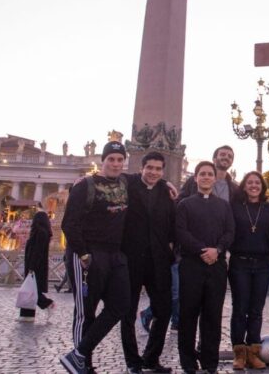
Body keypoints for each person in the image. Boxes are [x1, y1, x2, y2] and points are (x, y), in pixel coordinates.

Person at [60, 140, 131, 374]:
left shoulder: (126, 183)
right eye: (111, 159)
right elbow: (69, 223)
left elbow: (149, 179)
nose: (116, 163)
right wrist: (83, 253)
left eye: (120, 160)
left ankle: (78, 354)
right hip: (88, 254)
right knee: (85, 310)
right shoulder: (84, 186)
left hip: (115, 253)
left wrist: (170, 185)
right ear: (103, 160)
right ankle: (84, 364)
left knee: (120, 305)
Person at [176, 160, 235, 373]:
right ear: (196, 178)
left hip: (216, 266)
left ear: (214, 177)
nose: (206, 177)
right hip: (192, 265)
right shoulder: (185, 205)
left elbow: (230, 232)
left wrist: (217, 250)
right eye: (202, 174)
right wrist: (203, 250)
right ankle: (188, 362)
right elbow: (181, 232)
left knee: (212, 315)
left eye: (210, 174)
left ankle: (210, 362)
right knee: (188, 315)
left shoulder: (224, 206)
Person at [120, 152, 176, 374]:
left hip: (158, 261)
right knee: (127, 312)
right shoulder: (129, 185)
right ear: (142, 168)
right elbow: (114, 177)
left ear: (163, 171)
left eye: (158, 169)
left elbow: (172, 225)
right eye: (149, 168)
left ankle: (151, 358)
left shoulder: (166, 192)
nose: (153, 172)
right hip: (131, 259)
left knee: (164, 310)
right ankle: (133, 361)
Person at [229, 171, 269, 370]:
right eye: (250, 182)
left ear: (262, 186)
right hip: (240, 263)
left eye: (257, 182)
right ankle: (239, 354)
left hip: (263, 264)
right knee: (240, 310)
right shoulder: (234, 207)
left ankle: (254, 352)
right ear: (244, 186)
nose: (254, 185)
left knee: (256, 311)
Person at [20, 211, 55, 321]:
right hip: (36, 265)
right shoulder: (42, 232)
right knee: (30, 289)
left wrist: (32, 267)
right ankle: (27, 315)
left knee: (32, 290)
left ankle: (48, 304)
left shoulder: (40, 233)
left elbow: (37, 252)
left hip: (35, 266)